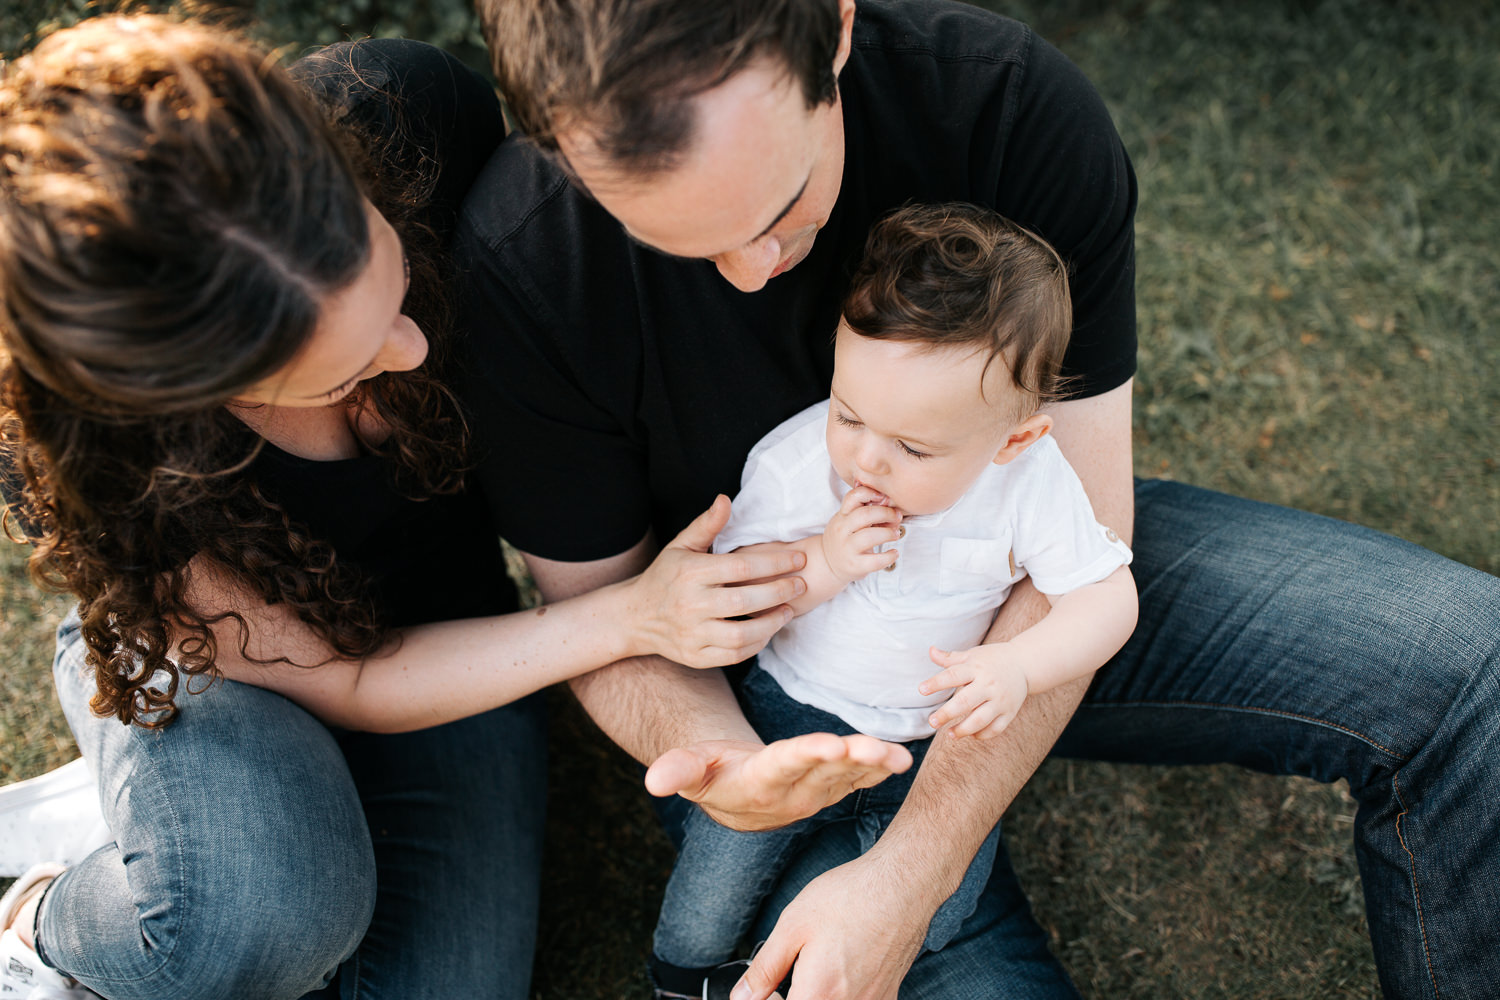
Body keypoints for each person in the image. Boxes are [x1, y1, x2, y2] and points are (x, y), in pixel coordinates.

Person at [461, 0, 1500, 997]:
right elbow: (602, 616)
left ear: (835, 25)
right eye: (674, 239)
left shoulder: (1008, 112)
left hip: (1014, 602)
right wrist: (743, 773)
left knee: (1467, 660)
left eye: (780, 211)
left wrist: (915, 868)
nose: (749, 271)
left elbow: (1088, 532)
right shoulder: (526, 261)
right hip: (767, 692)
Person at [0, 15, 894, 999]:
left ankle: (189, 848)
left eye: (391, 288)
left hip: (451, 636)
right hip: (231, 668)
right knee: (255, 919)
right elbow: (348, 680)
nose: (415, 352)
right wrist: (634, 614)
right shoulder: (105, 454)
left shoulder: (408, 113)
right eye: (337, 369)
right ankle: (45, 912)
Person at [647, 203, 1138, 997]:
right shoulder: (806, 462)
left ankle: (792, 941)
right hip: (789, 714)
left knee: (932, 908)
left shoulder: (1028, 486)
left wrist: (1020, 662)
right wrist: (826, 563)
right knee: (713, 889)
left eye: (912, 447)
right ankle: (683, 977)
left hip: (925, 751)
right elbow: (736, 597)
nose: (867, 459)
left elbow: (1107, 600)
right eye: (850, 413)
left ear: (1013, 440)